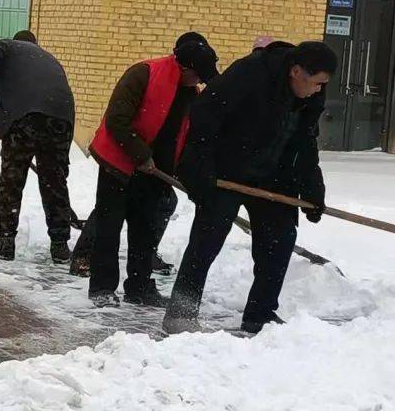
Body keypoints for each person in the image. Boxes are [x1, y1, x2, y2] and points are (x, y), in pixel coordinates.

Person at [166, 41, 337, 334]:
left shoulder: (312, 93)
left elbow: (306, 141)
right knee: (207, 239)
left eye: (324, 84)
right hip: (225, 171)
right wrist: (199, 165)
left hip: (273, 177)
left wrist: (312, 187)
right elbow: (205, 111)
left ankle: (260, 314)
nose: (319, 90)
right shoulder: (251, 73)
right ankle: (180, 313)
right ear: (296, 71)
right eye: (317, 83)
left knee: (279, 238)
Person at [87, 32, 219, 308]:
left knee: (145, 231)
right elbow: (117, 121)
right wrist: (141, 155)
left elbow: (181, 137)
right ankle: (102, 288)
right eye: (198, 75)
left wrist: (183, 171)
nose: (199, 82)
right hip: (119, 163)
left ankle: (139, 287)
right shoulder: (143, 74)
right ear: (184, 67)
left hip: (154, 173)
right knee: (109, 227)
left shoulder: (190, 94)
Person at [0, 29, 76, 264]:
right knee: (54, 181)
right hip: (60, 119)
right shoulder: (49, 58)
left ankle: (6, 242)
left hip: (25, 117)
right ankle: (60, 246)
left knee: (12, 179)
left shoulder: (8, 47)